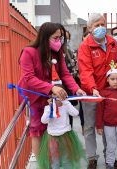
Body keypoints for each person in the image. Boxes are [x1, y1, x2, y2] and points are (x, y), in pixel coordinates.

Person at [18, 22, 85, 158]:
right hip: (34, 98)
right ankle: (41, 163)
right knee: (37, 130)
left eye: (60, 38)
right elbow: (29, 78)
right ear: (44, 37)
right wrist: (51, 87)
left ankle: (53, 160)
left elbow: (65, 74)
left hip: (50, 97)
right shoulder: (28, 52)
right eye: (55, 38)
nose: (59, 41)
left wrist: (76, 88)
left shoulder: (57, 53)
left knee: (52, 129)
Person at [78, 13, 117, 169]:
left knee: (108, 126)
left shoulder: (112, 43)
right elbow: (85, 71)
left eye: (103, 24)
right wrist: (93, 88)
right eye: (97, 25)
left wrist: (115, 84)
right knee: (90, 126)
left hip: (109, 92)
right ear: (90, 28)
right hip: (91, 93)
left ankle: (110, 156)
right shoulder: (85, 46)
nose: (101, 28)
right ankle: (92, 158)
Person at [38, 67, 85, 169]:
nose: (57, 97)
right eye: (54, 94)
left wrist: (66, 103)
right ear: (50, 96)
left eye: (59, 94)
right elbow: (43, 121)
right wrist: (49, 108)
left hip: (66, 136)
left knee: (66, 159)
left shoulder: (65, 105)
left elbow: (75, 113)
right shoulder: (49, 108)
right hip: (52, 137)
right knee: (55, 161)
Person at [63, 30, 84, 130]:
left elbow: (74, 69)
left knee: (68, 114)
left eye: (66, 38)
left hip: (68, 88)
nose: (64, 40)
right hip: (54, 89)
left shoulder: (70, 52)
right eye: (62, 37)